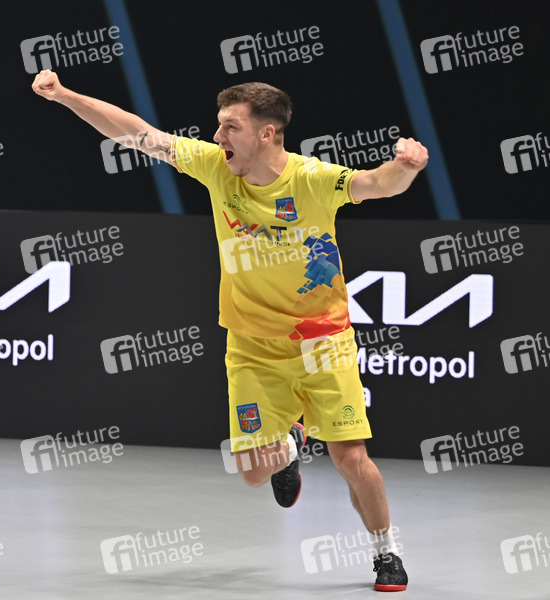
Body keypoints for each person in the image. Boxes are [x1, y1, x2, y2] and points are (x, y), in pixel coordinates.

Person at [32, 70, 426, 592]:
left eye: (229, 127)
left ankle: (385, 552)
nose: (217, 136)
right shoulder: (218, 169)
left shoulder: (312, 179)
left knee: (351, 459)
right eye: (219, 126)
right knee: (253, 472)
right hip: (252, 348)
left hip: (323, 342)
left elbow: (377, 184)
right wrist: (64, 96)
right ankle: (289, 446)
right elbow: (136, 133)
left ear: (267, 133)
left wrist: (406, 166)